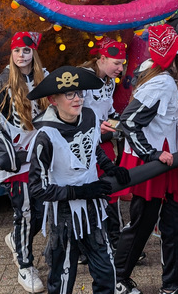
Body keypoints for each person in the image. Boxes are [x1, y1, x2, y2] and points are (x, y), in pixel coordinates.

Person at [27, 65, 130, 294]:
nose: (78, 99)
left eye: (80, 93)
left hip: (93, 210)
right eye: (70, 94)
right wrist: (78, 192)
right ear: (54, 100)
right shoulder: (46, 136)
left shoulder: (90, 116)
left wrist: (109, 167)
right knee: (62, 278)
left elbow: (93, 148)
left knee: (106, 272)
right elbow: (37, 188)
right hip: (64, 217)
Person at [114, 24, 178, 294]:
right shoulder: (161, 81)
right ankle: (117, 278)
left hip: (166, 161)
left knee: (173, 224)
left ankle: (171, 284)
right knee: (142, 223)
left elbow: (170, 122)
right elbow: (128, 122)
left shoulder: (163, 77)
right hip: (153, 164)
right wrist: (150, 154)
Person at [0, 32, 49, 293]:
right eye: (17, 51)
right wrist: (10, 159)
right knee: (24, 213)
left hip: (40, 158)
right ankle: (25, 266)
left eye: (26, 50)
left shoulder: (44, 78)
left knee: (41, 213)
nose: (21, 55)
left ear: (33, 53)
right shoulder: (3, 83)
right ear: (11, 55)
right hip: (17, 161)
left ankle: (15, 239)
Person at [81, 37, 127, 248]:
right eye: (116, 63)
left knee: (110, 191)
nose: (120, 68)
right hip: (84, 146)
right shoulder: (82, 80)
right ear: (101, 59)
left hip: (103, 144)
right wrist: (94, 127)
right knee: (90, 193)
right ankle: (89, 244)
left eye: (122, 64)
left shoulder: (108, 81)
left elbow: (108, 112)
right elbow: (73, 115)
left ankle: (114, 239)